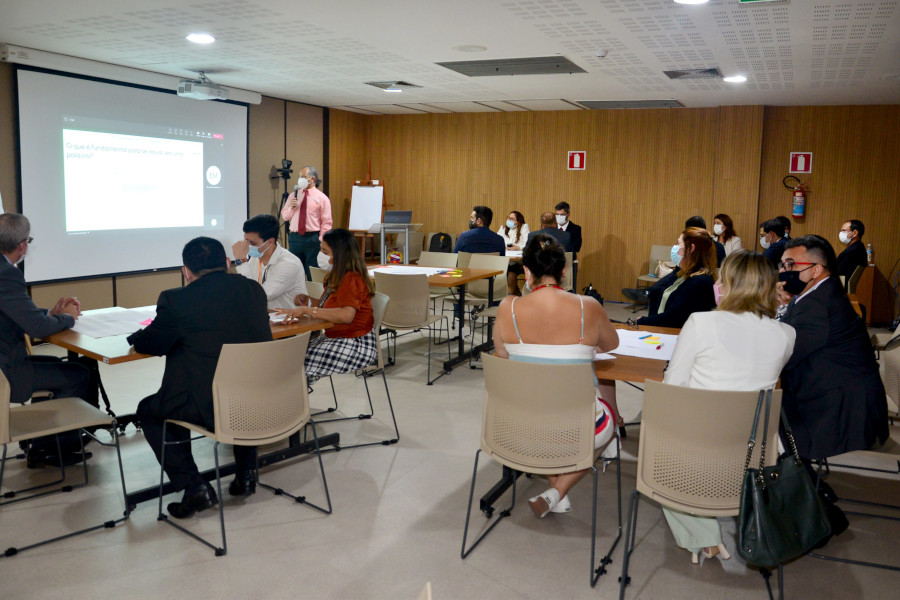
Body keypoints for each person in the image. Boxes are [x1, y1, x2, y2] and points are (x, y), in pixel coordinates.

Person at [661, 250, 796, 563]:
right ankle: (712, 529)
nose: (717, 283)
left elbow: (673, 388)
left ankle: (703, 536)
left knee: (656, 449)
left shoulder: (700, 323)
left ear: (732, 285)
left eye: (722, 278)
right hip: (757, 458)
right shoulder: (787, 334)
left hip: (699, 453)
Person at [130, 237, 272, 519]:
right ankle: (246, 474)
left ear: (186, 271)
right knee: (236, 382)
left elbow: (151, 344)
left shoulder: (176, 299)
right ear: (226, 263)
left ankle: (194, 487)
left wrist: (135, 337)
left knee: (151, 410)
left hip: (213, 408)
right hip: (260, 400)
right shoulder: (253, 290)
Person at [493, 233, 620, 518]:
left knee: (546, 420)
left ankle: (555, 492)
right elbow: (612, 345)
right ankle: (558, 490)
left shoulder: (507, 308)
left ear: (526, 272)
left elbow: (502, 356)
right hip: (577, 428)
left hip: (518, 425)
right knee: (606, 422)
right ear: (564, 271)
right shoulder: (588, 306)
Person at [778, 235, 888, 461]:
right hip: (834, 391)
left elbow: (784, 355)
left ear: (816, 270)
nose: (782, 271)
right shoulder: (817, 293)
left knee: (762, 412)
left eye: (790, 265)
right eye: (782, 265)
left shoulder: (819, 305)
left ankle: (797, 481)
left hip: (839, 408)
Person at [0, 213, 95, 468]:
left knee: (53, 363)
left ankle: (41, 444)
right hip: (6, 371)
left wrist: (51, 314)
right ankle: (55, 450)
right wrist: (67, 319)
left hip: (6, 360)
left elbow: (16, 314)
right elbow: (38, 329)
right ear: (22, 245)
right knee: (78, 374)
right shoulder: (6, 275)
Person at [277, 228, 377, 384]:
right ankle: (294, 401)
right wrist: (308, 301)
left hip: (355, 343)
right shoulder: (338, 275)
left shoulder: (351, 278)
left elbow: (346, 315)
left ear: (339, 254)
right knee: (292, 357)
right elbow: (330, 306)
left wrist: (307, 310)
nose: (320, 255)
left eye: (325, 251)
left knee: (295, 365)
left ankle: (293, 402)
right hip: (338, 337)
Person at [636, 227, 717, 328]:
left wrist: (643, 321)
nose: (675, 247)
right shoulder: (683, 273)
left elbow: (673, 317)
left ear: (691, 248)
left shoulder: (700, 281)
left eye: (678, 244)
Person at [232, 214, 307, 309]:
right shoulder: (256, 258)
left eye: (253, 243)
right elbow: (246, 290)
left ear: (270, 242)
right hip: (265, 315)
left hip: (291, 320)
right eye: (246, 240)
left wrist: (241, 261)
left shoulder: (289, 264)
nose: (247, 246)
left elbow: (260, 296)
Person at [280, 166, 333, 280]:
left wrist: (320, 239)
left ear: (313, 178)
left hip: (312, 239)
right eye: (299, 177)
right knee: (293, 272)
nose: (300, 179)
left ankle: (313, 296)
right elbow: (285, 216)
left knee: (312, 273)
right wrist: (292, 208)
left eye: (303, 177)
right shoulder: (293, 195)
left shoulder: (322, 198)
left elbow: (327, 222)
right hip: (295, 238)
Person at [498, 211, 529, 295]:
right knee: (509, 273)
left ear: (518, 221)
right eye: (509, 218)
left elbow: (527, 244)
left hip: (519, 261)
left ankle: (514, 295)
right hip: (506, 260)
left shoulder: (524, 228)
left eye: (512, 219)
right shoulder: (503, 229)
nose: (509, 220)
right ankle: (516, 294)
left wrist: (518, 247)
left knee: (511, 274)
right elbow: (498, 242)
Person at [836, 219, 867, 287]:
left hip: (841, 286)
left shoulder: (855, 251)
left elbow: (840, 270)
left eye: (844, 231)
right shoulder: (856, 248)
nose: (840, 233)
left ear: (855, 233)